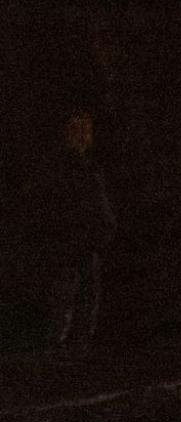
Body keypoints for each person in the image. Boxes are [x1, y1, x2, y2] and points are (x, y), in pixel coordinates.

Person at [35, 110, 115, 352]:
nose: (83, 136)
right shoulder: (61, 167)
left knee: (87, 294)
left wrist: (103, 228)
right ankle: (58, 345)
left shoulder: (88, 166)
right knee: (66, 293)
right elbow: (56, 205)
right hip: (71, 240)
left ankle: (79, 346)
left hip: (88, 239)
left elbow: (98, 201)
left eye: (85, 131)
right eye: (77, 131)